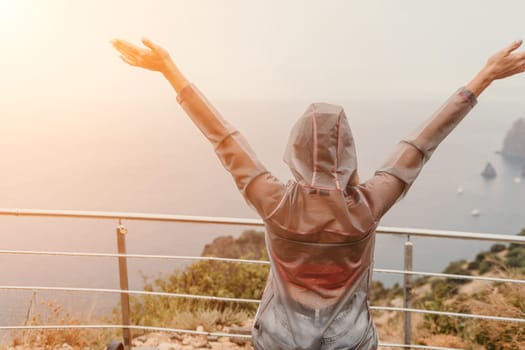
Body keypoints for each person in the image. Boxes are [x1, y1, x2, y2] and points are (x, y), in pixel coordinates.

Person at [111, 38, 525, 350]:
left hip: (277, 341)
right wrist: (484, 77)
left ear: (292, 149)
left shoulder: (274, 201)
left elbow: (224, 138)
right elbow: (422, 143)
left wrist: (170, 70)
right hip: (351, 342)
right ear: (349, 151)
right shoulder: (367, 205)